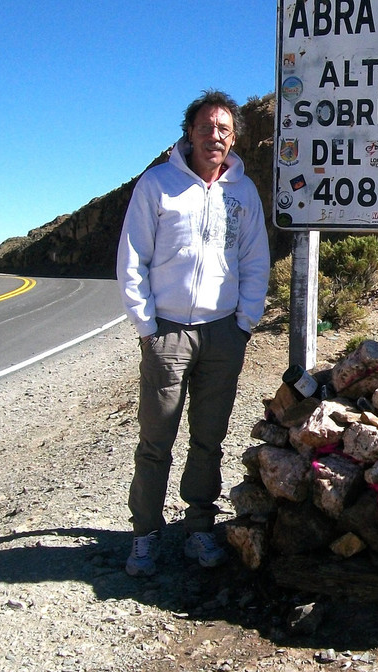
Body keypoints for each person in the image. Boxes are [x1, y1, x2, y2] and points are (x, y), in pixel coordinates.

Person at [117, 89, 270, 576]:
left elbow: (254, 259)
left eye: (224, 129)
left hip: (223, 334)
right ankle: (144, 534)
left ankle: (199, 527)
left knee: (209, 438)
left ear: (233, 138)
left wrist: (245, 322)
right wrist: (146, 325)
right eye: (206, 128)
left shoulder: (242, 192)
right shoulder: (157, 184)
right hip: (168, 334)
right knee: (155, 438)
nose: (215, 137)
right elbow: (132, 259)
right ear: (189, 132)